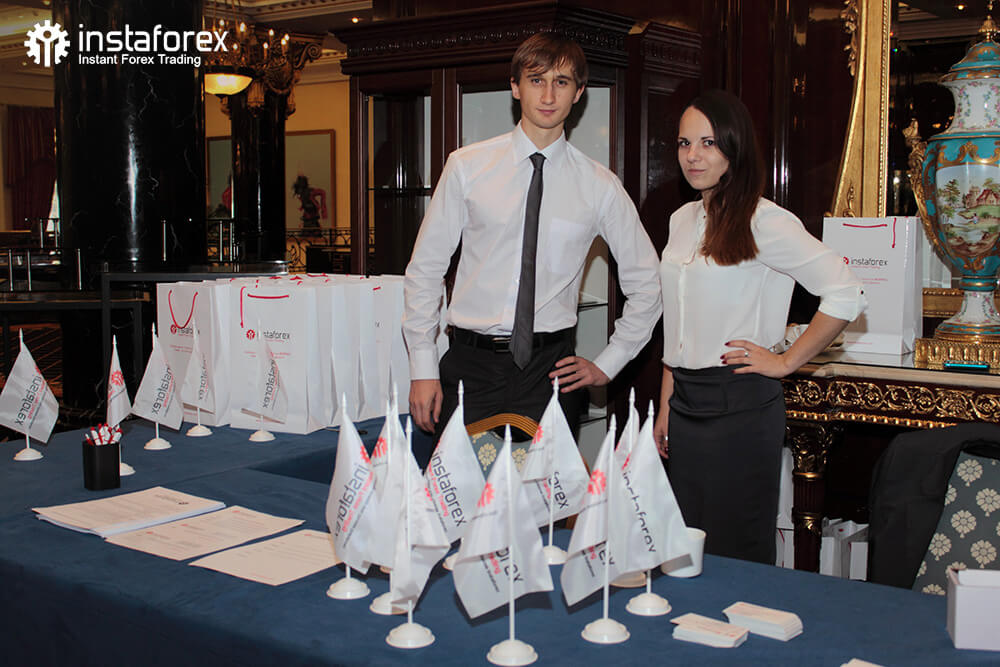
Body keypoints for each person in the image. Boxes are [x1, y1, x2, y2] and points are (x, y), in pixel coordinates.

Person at [403, 31, 661, 441]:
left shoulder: (600, 186)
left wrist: (609, 362)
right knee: (459, 483)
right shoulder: (467, 167)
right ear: (515, 86)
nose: (548, 95)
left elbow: (648, 285)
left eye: (562, 82)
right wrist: (422, 366)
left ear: (578, 93)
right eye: (536, 79)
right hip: (469, 364)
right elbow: (426, 269)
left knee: (544, 486)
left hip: (551, 371)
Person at [654, 89, 866, 565]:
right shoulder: (681, 219)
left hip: (741, 402)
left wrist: (787, 361)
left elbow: (846, 292)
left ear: (735, 146)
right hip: (685, 402)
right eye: (685, 143)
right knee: (682, 546)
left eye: (708, 142)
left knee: (735, 549)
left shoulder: (765, 221)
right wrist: (666, 402)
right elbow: (678, 319)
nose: (692, 156)